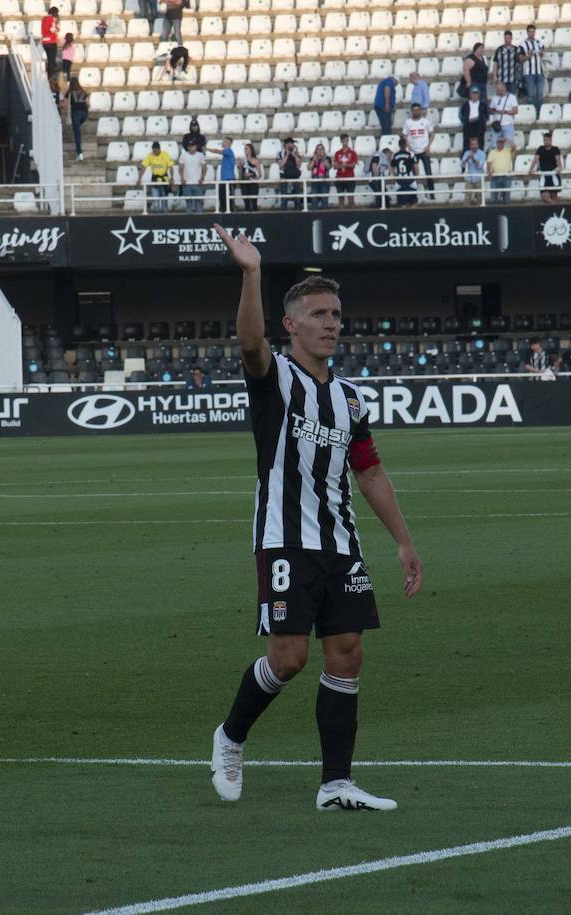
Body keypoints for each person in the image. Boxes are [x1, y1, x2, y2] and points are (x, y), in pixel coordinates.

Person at [209, 226, 422, 814]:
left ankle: (336, 784)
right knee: (288, 658)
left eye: (336, 313)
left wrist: (403, 541)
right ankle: (230, 737)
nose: (331, 323)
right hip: (284, 539)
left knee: (347, 651)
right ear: (292, 325)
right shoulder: (275, 377)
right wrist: (252, 272)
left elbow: (369, 472)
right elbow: (249, 342)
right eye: (319, 314)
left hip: (341, 541)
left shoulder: (350, 398)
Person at [400, 102, 433, 199]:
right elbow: (404, 135)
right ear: (412, 111)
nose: (416, 112)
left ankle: (432, 195)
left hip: (424, 150)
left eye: (418, 110)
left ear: (420, 111)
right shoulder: (408, 122)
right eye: (414, 110)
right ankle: (413, 196)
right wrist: (408, 146)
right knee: (412, 174)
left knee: (428, 173)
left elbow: (433, 134)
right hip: (413, 152)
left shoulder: (425, 121)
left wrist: (428, 146)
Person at [520, 24, 546, 117]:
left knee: (540, 94)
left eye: (533, 31)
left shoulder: (540, 42)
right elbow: (520, 60)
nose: (532, 33)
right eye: (530, 31)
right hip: (528, 73)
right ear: (527, 32)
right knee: (531, 95)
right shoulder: (523, 44)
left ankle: (539, 113)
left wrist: (542, 53)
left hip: (540, 72)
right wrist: (528, 56)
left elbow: (543, 54)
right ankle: (531, 113)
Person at [140, 140, 173, 213]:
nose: (154, 152)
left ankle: (165, 215)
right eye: (153, 151)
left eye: (155, 151)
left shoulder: (165, 154)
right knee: (155, 200)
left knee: (164, 201)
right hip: (155, 179)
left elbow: (171, 167)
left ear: (159, 149)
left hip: (164, 179)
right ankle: (157, 217)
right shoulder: (150, 155)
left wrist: (172, 178)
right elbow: (143, 166)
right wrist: (139, 178)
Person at [530, 132, 561, 203]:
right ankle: (557, 207)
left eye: (547, 140)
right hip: (544, 174)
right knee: (544, 197)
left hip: (553, 174)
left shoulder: (555, 149)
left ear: (551, 140)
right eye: (545, 140)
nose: (546, 142)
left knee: (554, 196)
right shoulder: (540, 149)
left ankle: (553, 211)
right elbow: (535, 159)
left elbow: (558, 160)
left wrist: (560, 167)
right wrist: (531, 169)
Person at [177, 138, 206, 213]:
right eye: (189, 146)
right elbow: (180, 168)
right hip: (187, 183)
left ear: (195, 146)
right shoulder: (183, 156)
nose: (191, 147)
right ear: (187, 147)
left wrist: (202, 178)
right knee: (188, 204)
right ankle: (190, 223)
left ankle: (200, 223)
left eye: (192, 145)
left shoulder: (200, 155)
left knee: (199, 204)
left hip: (197, 183)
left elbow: (204, 168)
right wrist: (182, 178)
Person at [491, 30, 523, 97]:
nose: (507, 40)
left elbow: (520, 62)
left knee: (512, 98)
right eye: (505, 38)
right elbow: (495, 63)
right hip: (501, 79)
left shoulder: (516, 49)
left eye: (508, 38)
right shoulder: (499, 49)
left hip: (513, 79)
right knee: (501, 98)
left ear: (511, 38)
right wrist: (494, 76)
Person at [486, 133, 514, 205]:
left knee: (506, 198)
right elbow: (489, 163)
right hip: (495, 177)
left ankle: (507, 212)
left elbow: (514, 146)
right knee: (493, 198)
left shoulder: (508, 150)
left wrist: (506, 140)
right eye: (499, 142)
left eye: (502, 142)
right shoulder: (492, 152)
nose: (500, 143)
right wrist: (488, 171)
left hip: (506, 176)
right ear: (496, 142)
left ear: (504, 142)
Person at [488, 80, 518, 147]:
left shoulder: (512, 97)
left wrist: (505, 111)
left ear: (505, 88)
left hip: (508, 124)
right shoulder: (495, 98)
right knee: (494, 145)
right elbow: (490, 110)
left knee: (509, 145)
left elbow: (515, 111)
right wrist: (495, 111)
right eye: (498, 90)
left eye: (500, 90)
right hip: (497, 125)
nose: (499, 92)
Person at [332, 135, 358, 209]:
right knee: (340, 199)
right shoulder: (337, 153)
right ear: (341, 141)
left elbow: (353, 165)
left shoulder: (352, 153)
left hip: (350, 177)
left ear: (348, 141)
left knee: (351, 199)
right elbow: (335, 166)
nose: (345, 142)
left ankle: (353, 217)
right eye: (343, 140)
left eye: (346, 140)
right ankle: (341, 217)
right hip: (339, 178)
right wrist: (345, 165)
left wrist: (343, 165)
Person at [67, 77, 89, 161]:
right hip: (84, 114)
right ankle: (79, 153)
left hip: (75, 113)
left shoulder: (70, 92)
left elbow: (66, 104)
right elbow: (89, 104)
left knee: (77, 134)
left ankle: (79, 153)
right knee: (78, 130)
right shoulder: (83, 91)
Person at [460, 86, 487, 152]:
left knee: (480, 144)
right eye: (473, 93)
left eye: (476, 93)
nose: (475, 95)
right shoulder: (465, 105)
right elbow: (461, 115)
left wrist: (482, 121)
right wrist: (465, 122)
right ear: (470, 94)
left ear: (479, 94)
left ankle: (480, 159)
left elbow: (486, 115)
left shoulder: (483, 105)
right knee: (467, 145)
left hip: (479, 126)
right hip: (468, 126)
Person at [460, 136, 486, 204]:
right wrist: (467, 159)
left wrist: (473, 159)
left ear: (478, 145)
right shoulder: (467, 153)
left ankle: (480, 213)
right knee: (467, 197)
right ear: (470, 145)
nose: (474, 146)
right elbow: (462, 165)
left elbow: (479, 166)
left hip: (479, 178)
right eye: (472, 144)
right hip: (469, 178)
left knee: (479, 197)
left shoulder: (482, 153)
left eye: (475, 144)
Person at [277, 137, 300, 210]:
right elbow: (281, 165)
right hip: (284, 178)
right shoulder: (280, 153)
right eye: (291, 143)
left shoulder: (295, 153)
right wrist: (287, 154)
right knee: (284, 199)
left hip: (295, 177)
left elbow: (299, 165)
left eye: (293, 143)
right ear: (286, 144)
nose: (293, 145)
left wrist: (295, 154)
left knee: (297, 199)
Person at [307, 143, 331, 210]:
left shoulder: (327, 158)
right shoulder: (312, 158)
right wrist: (314, 160)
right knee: (314, 200)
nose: (320, 150)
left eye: (321, 149)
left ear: (324, 150)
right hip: (314, 182)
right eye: (318, 149)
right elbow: (309, 168)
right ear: (316, 150)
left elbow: (329, 167)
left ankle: (325, 215)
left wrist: (323, 159)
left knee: (324, 200)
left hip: (324, 182)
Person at [239, 142, 260, 212]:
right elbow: (240, 172)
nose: (245, 150)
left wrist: (254, 178)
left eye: (247, 149)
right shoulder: (242, 160)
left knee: (254, 202)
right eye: (245, 149)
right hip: (244, 183)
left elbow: (259, 174)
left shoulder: (255, 160)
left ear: (251, 150)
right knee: (246, 202)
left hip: (253, 183)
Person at [41, 7, 60, 81]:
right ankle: (50, 78)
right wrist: (57, 28)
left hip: (44, 42)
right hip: (51, 42)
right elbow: (52, 30)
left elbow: (43, 30)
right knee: (51, 61)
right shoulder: (51, 19)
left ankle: (48, 76)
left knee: (49, 61)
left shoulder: (43, 18)